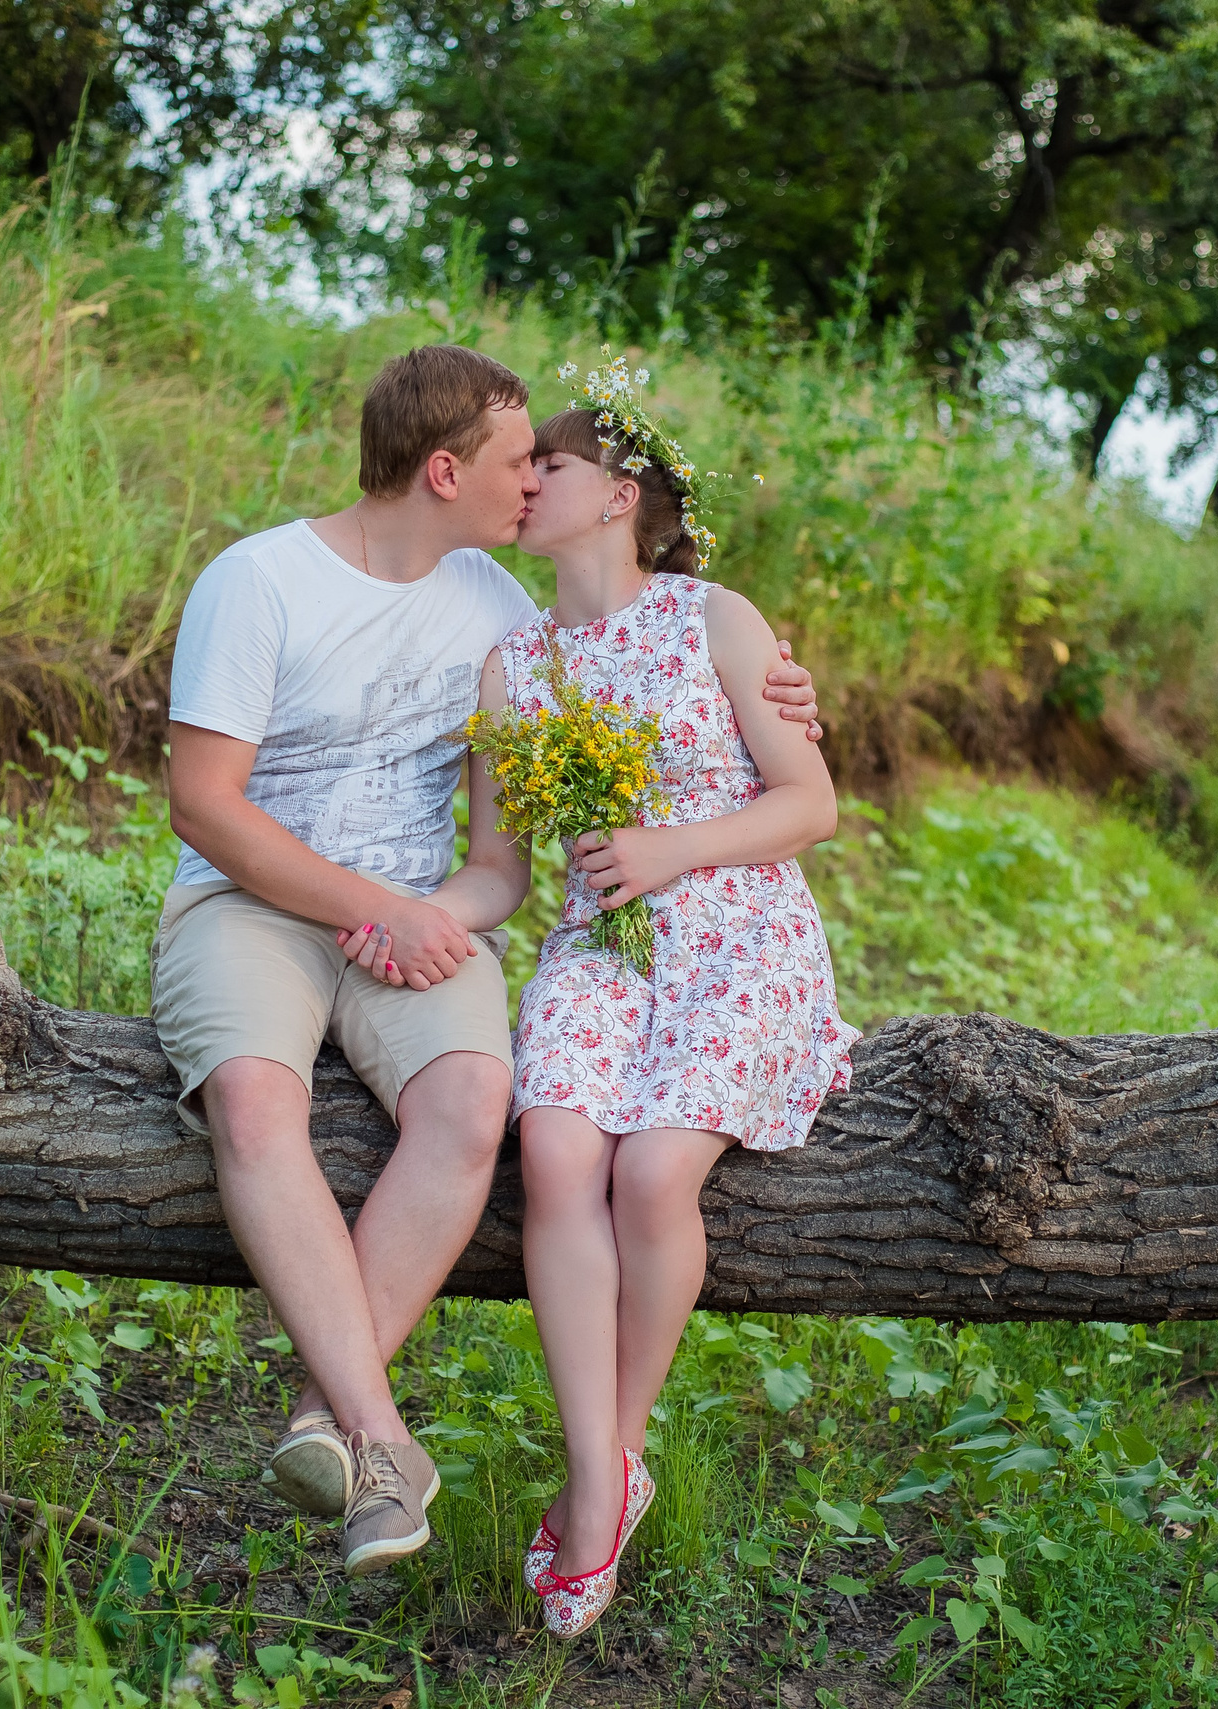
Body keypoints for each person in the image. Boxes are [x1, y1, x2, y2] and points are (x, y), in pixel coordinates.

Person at [152, 345, 824, 1575]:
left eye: (548, 464)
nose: (532, 483)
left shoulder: (508, 616)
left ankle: (337, 1415)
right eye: (521, 460)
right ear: (448, 467)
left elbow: (529, 829)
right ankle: (372, 1431)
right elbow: (204, 804)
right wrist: (376, 906)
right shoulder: (258, 581)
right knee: (256, 1099)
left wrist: (781, 690)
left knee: (472, 1101)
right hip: (252, 903)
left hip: (434, 918)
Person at [495, 386, 856, 1636]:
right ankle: (603, 1471)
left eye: (550, 459)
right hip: (602, 946)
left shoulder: (714, 615)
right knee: (553, 1148)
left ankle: (611, 1461)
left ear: (620, 494)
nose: (526, 476)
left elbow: (808, 803)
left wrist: (670, 847)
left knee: (652, 1175)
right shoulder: (514, 661)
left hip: (741, 931)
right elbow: (500, 865)